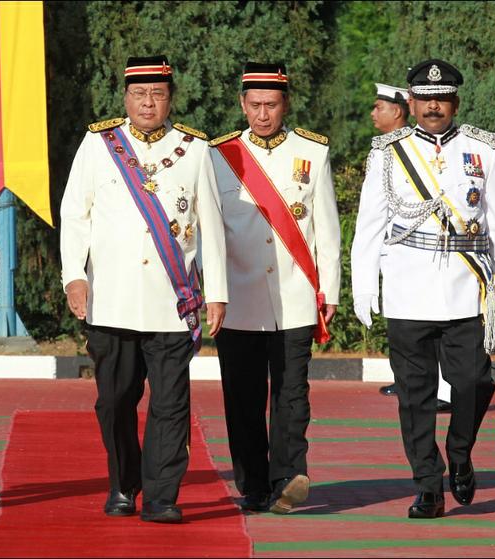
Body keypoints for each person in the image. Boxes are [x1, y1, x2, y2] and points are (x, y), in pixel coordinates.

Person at [59, 55, 227, 524]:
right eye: (139, 94)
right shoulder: (99, 144)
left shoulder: (194, 148)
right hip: (110, 299)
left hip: (172, 302)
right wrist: (74, 274)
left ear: (170, 97)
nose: (148, 102)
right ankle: (122, 483)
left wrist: (217, 291)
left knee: (171, 404)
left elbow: (210, 225)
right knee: (114, 401)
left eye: (157, 94)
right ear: (125, 97)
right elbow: (76, 213)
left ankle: (161, 496)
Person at [351, 59, 495, 519]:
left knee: (474, 382)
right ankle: (428, 484)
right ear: (412, 102)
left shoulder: (481, 149)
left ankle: (460, 453)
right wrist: (364, 287)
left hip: (466, 291)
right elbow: (369, 225)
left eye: (441, 99)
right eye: (425, 100)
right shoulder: (388, 151)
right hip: (408, 290)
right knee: (415, 396)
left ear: (455, 103)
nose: (432, 107)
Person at [209, 62, 341, 514]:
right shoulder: (219, 155)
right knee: (242, 397)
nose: (262, 114)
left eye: (271, 105)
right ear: (242, 104)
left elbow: (327, 229)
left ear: (285, 104)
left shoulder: (313, 153)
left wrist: (332, 292)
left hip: (296, 295)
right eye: (254, 105)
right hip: (239, 299)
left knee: (292, 393)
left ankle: (289, 476)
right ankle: (252, 483)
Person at [370, 83, 453, 412]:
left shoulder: (420, 147)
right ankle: (411, 381)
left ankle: (445, 390)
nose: (373, 113)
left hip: (430, 249)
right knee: (410, 327)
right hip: (399, 251)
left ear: (398, 111)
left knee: (441, 322)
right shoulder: (386, 148)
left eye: (380, 107)